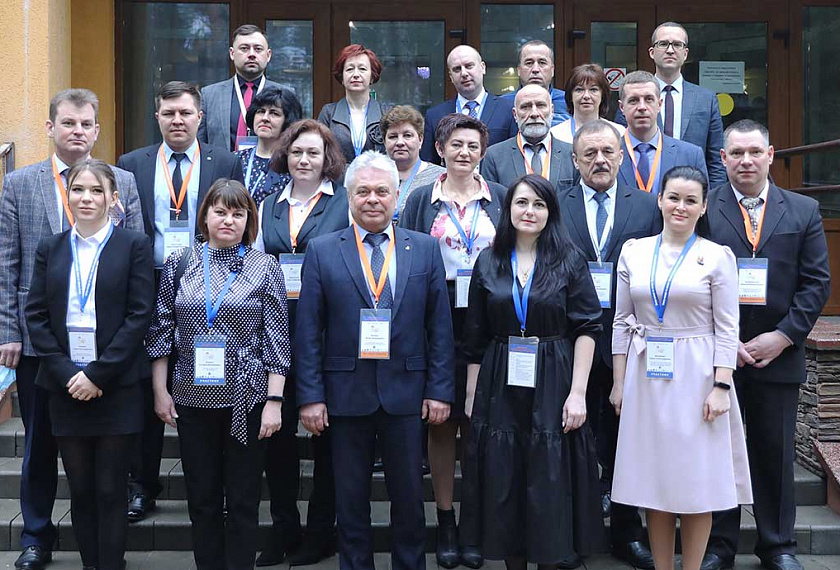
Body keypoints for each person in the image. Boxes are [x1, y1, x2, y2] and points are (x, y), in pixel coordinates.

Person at [0, 88, 143, 570]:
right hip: (42, 347)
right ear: (50, 127)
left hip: (109, 354)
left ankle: (108, 550)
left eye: (85, 124)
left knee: (106, 472)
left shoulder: (122, 181)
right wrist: (8, 330)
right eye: (68, 122)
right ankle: (36, 536)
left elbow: (137, 264)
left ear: (97, 130)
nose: (77, 131)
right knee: (39, 444)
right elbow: (7, 262)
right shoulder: (19, 182)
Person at [295, 151, 455, 570]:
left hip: (407, 394)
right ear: (348, 197)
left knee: (409, 501)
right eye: (362, 191)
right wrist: (310, 397)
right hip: (344, 396)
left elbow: (439, 328)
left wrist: (440, 391)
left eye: (381, 191)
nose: (372, 199)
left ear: (396, 195)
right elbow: (308, 332)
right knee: (350, 504)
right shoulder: (322, 250)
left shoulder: (425, 249)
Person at [701, 120, 831, 570]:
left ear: (771, 155)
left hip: (778, 354)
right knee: (719, 452)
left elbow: (816, 283)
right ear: (723, 159)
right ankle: (718, 546)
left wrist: (783, 336)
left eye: (755, 152)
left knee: (775, 454)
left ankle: (778, 546)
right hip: (719, 355)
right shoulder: (705, 208)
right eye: (736, 153)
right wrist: (725, 341)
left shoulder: (802, 210)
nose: (746, 161)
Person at [610, 165, 753, 570]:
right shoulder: (634, 251)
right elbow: (621, 321)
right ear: (659, 199)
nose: (680, 206)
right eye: (673, 197)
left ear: (703, 206)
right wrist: (619, 383)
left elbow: (728, 327)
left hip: (698, 377)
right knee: (655, 484)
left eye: (691, 200)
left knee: (695, 485)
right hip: (646, 376)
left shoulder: (717, 256)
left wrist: (722, 386)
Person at [459, 173, 603, 570]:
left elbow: (588, 328)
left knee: (548, 473)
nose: (529, 211)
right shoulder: (488, 260)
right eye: (522, 202)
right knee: (505, 474)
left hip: (555, 375)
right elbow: (474, 336)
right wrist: (471, 395)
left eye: (539, 204)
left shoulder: (569, 259)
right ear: (508, 209)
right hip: (499, 379)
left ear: (550, 212)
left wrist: (578, 393)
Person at [117, 80, 244, 524]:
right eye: (169, 113)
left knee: (210, 380)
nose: (177, 121)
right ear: (157, 117)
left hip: (207, 279)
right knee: (148, 382)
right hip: (147, 280)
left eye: (185, 113)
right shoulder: (131, 164)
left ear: (199, 117)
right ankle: (142, 485)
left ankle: (218, 485)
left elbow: (234, 217)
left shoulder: (225, 160)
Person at [145, 179, 289, 570]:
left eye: (238, 213)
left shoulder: (265, 266)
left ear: (249, 220)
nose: (228, 220)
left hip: (249, 399)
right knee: (202, 499)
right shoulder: (181, 262)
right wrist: (160, 391)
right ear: (205, 216)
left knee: (243, 500)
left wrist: (274, 402)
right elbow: (161, 330)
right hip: (191, 397)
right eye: (220, 211)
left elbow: (277, 340)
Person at [24, 159, 155, 570]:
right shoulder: (51, 248)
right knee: (80, 491)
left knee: (110, 490)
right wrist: (69, 374)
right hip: (65, 387)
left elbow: (139, 315)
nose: (86, 198)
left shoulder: (134, 245)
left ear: (113, 199)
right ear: (68, 197)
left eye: (97, 190)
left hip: (115, 386)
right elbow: (36, 316)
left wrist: (97, 374)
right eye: (78, 189)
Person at [399, 112, 507, 570]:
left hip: (491, 320)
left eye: (473, 145)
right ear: (440, 149)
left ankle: (474, 523)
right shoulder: (422, 199)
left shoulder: (500, 196)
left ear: (483, 152)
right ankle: (445, 520)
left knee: (482, 423)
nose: (465, 152)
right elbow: (406, 258)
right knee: (441, 421)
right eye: (456, 144)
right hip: (437, 318)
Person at [556, 119, 660, 569]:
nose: (599, 160)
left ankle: (625, 533)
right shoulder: (555, 204)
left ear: (621, 156)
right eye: (589, 154)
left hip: (630, 340)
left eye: (607, 152)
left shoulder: (649, 206)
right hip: (568, 341)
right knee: (570, 440)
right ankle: (572, 536)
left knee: (626, 441)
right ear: (575, 160)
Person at [252, 118, 348, 567]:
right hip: (275, 335)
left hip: (329, 335)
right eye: (296, 152)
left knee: (328, 438)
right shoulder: (268, 205)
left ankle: (322, 530)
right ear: (284, 157)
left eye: (313, 152)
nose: (304, 160)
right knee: (278, 438)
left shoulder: (345, 202)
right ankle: (284, 527)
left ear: (327, 158)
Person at [615, 22, 727, 188]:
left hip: (689, 192)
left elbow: (716, 159)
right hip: (640, 188)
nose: (670, 50)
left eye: (677, 44)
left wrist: (712, 197)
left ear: (685, 53)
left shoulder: (706, 99)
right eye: (663, 44)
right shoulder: (633, 97)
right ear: (652, 52)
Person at [198, 24, 294, 152]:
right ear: (232, 53)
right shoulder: (209, 95)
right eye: (244, 48)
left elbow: (292, 141)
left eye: (258, 49)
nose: (252, 54)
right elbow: (200, 144)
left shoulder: (285, 94)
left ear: (268, 55)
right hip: (221, 164)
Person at [421, 46, 517, 165]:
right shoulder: (435, 116)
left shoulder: (508, 109)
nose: (464, 73)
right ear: (451, 77)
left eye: (469, 66)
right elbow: (428, 165)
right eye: (457, 69)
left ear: (482, 67)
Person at [617, 71, 707, 195]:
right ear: (622, 107)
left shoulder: (691, 155)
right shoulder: (607, 154)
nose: (642, 107)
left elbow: (701, 201)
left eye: (649, 99)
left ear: (659, 104)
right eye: (633, 100)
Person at [481, 85, 576, 190]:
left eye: (540, 105)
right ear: (515, 115)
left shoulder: (572, 154)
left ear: (552, 111)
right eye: (526, 107)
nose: (534, 114)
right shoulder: (494, 157)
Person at [318, 44, 386, 165]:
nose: (356, 74)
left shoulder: (385, 113)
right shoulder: (328, 113)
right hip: (338, 176)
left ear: (372, 76)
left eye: (362, 69)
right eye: (349, 69)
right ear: (342, 77)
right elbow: (319, 151)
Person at [236, 86, 303, 207]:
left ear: (287, 120)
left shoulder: (291, 163)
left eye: (274, 113)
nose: (265, 118)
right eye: (261, 111)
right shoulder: (236, 159)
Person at [380, 105, 445, 224]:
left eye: (407, 135)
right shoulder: (373, 176)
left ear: (420, 140)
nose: (400, 142)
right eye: (393, 136)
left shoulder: (441, 177)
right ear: (384, 142)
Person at [550, 63, 626, 144]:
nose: (586, 96)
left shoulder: (618, 133)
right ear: (570, 95)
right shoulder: (555, 134)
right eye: (579, 90)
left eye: (593, 90)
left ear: (602, 95)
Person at [501, 40, 570, 126]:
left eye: (542, 63)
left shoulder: (568, 101)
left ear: (552, 70)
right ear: (519, 70)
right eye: (529, 63)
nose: (535, 69)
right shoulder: (502, 104)